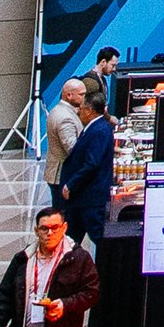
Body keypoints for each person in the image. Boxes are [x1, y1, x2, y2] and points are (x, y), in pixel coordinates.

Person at [55, 85, 115, 249]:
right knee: (69, 239)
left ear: (89, 110)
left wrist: (71, 183)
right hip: (82, 199)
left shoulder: (99, 130)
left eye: (81, 109)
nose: (78, 111)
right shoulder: (96, 127)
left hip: (90, 198)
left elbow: (92, 163)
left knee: (98, 238)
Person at [41, 76, 86, 207]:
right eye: (81, 94)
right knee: (63, 213)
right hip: (61, 175)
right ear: (69, 95)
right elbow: (72, 148)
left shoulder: (60, 110)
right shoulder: (65, 118)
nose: (84, 98)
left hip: (59, 173)